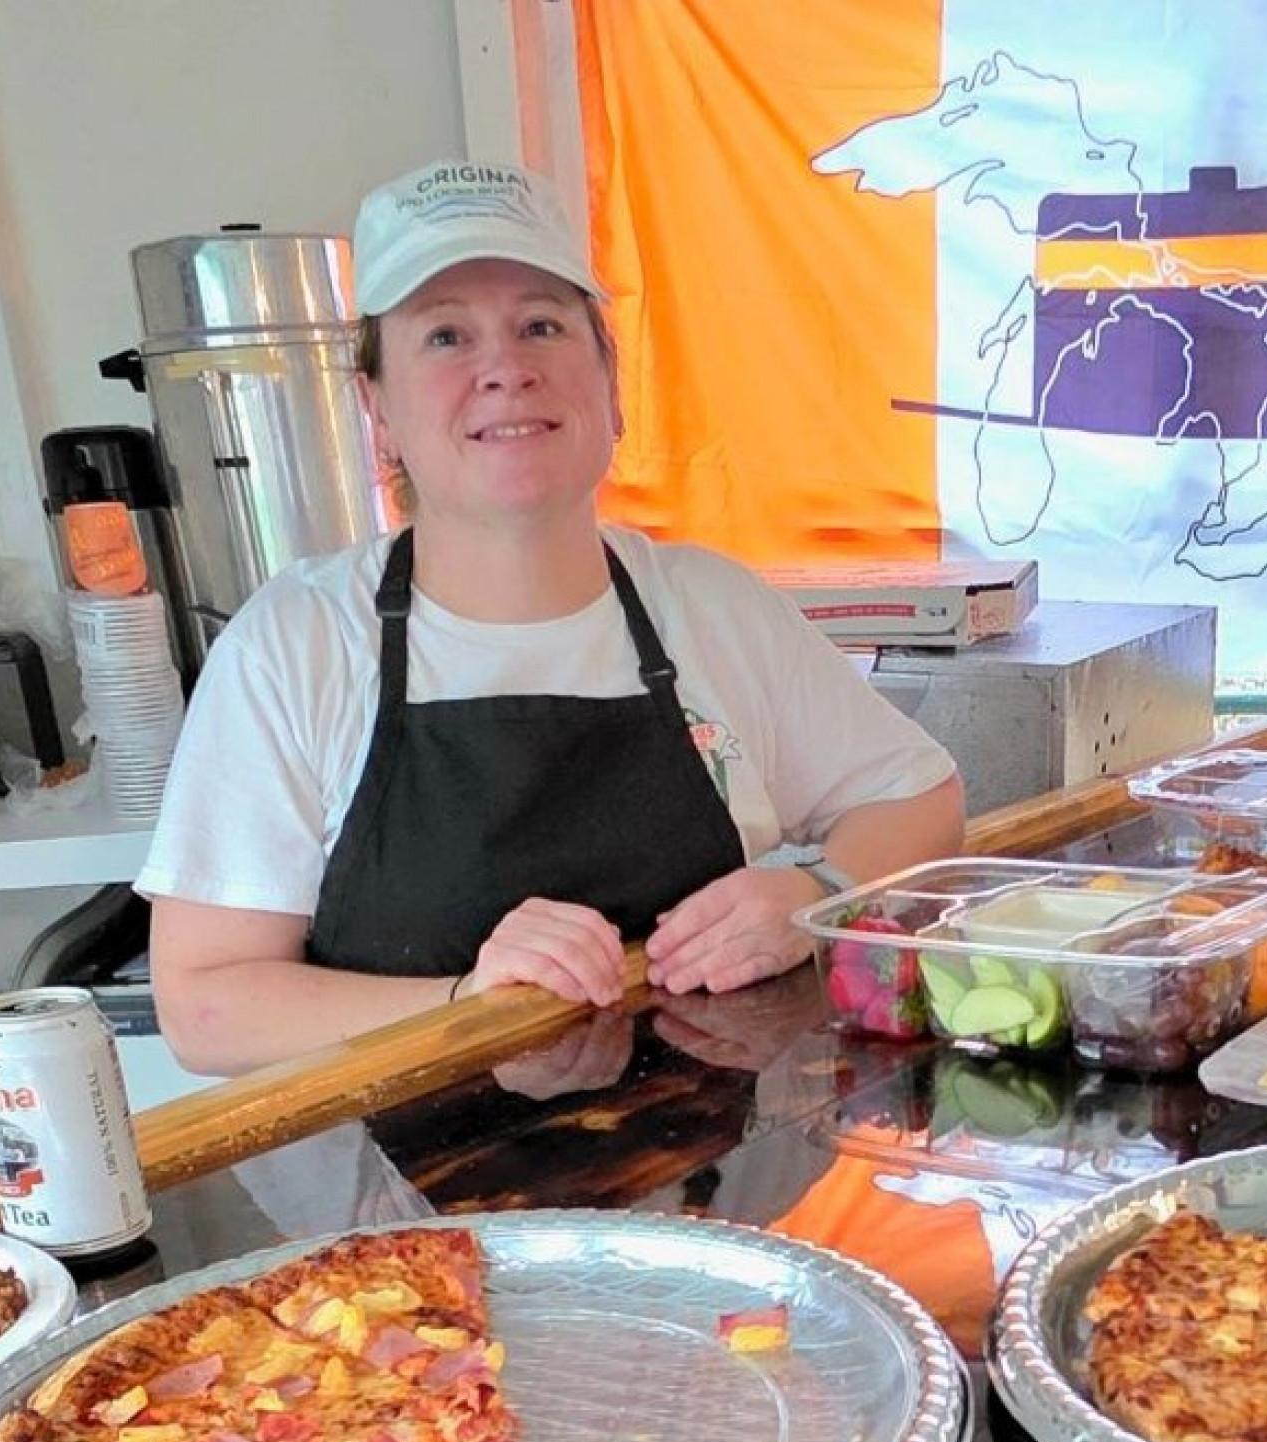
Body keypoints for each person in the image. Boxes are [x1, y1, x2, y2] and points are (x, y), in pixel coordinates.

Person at [136, 158, 965, 1077]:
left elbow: (919, 799)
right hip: (407, 1203)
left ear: (610, 381)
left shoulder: (711, 607)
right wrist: (465, 1008)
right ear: (377, 408)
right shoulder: (297, 646)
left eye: (542, 325)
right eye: (446, 336)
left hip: (702, 1188)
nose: (506, 371)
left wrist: (819, 895)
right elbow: (207, 1004)